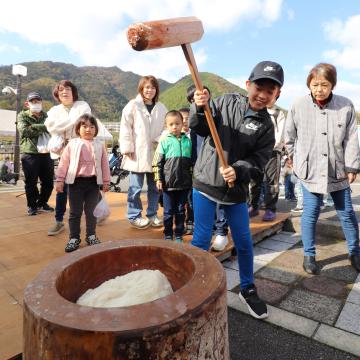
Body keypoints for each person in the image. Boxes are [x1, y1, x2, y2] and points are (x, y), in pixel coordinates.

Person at [190, 60, 284, 319]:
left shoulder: (267, 126)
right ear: (247, 85)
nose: (263, 95)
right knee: (200, 240)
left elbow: (259, 161)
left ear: (277, 95)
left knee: (243, 242)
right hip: (206, 183)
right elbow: (199, 126)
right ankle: (193, 287)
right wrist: (199, 105)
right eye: (259, 87)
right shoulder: (225, 102)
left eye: (271, 91)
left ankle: (247, 288)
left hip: (236, 192)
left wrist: (239, 169)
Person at [284, 63, 360, 274]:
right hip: (309, 170)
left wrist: (352, 165)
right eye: (315, 84)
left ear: (332, 85)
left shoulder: (345, 105)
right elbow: (289, 137)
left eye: (324, 85)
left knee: (346, 212)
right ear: (309, 83)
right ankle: (309, 255)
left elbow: (351, 139)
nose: (319, 89)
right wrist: (293, 158)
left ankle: (355, 252)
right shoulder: (298, 104)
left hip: (338, 168)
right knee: (310, 212)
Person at [55, 114, 110, 252]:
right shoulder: (72, 144)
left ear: (96, 130)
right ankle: (74, 238)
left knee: (91, 212)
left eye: (92, 127)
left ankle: (91, 235)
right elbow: (63, 163)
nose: (88, 129)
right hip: (75, 183)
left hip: (93, 183)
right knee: (75, 212)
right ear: (78, 128)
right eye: (84, 126)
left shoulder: (99, 145)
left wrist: (106, 181)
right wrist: (60, 180)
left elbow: (105, 165)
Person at [120, 75, 167, 229]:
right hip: (137, 153)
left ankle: (152, 214)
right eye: (147, 87)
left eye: (153, 87)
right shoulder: (133, 105)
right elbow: (125, 126)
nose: (150, 90)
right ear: (141, 88)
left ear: (156, 90)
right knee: (135, 188)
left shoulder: (161, 107)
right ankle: (134, 215)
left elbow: (167, 127)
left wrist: (160, 138)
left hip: (155, 153)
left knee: (155, 188)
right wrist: (127, 147)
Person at [45, 80, 92, 235]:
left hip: (82, 150)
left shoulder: (82, 105)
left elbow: (84, 123)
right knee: (62, 186)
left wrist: (60, 125)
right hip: (63, 152)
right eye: (61, 90)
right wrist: (71, 123)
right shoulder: (54, 109)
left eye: (67, 89)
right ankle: (59, 221)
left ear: (73, 92)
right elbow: (50, 126)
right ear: (57, 93)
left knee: (86, 184)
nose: (64, 92)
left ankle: (96, 213)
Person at [187, 84, 229, 251]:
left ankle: (221, 232)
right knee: (203, 207)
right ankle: (207, 235)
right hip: (201, 170)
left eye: (205, 95)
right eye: (193, 99)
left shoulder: (220, 115)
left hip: (218, 167)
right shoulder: (195, 122)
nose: (199, 99)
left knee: (220, 202)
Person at [153, 110, 192, 242]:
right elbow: (156, 162)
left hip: (184, 184)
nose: (174, 126)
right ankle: (168, 234)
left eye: (177, 123)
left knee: (181, 211)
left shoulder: (188, 142)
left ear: (182, 124)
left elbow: (192, 163)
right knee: (168, 212)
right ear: (166, 126)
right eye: (171, 124)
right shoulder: (164, 142)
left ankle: (179, 234)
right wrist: (158, 179)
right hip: (168, 185)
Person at [248, 97, 285, 221]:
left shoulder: (279, 114)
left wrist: (268, 146)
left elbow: (280, 135)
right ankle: (253, 206)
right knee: (254, 180)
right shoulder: (256, 111)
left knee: (271, 181)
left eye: (271, 96)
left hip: (272, 152)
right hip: (256, 152)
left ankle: (270, 209)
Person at [18, 92, 54, 215]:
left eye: (38, 101)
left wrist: (34, 127)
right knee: (30, 182)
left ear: (41, 103)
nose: (36, 103)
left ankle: (42, 203)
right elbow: (24, 131)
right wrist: (45, 127)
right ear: (27, 104)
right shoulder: (22, 115)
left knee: (48, 182)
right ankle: (32, 205)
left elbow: (53, 128)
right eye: (33, 102)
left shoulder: (47, 115)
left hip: (47, 153)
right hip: (30, 153)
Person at [179, 107, 194, 235]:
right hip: (177, 175)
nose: (184, 121)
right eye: (182, 118)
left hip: (191, 174)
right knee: (179, 202)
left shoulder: (194, 135)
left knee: (190, 200)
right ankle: (179, 223)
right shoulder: (171, 136)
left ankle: (190, 222)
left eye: (187, 118)